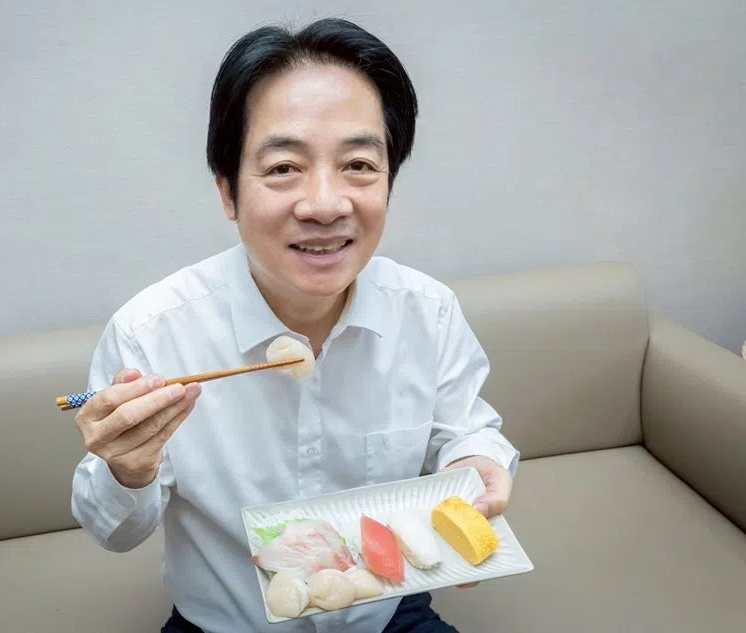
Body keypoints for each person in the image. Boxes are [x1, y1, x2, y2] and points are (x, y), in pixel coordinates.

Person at [70, 17, 519, 633]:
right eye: (284, 167)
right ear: (228, 192)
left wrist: (477, 463)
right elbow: (113, 532)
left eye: (359, 164)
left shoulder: (428, 311)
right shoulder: (153, 334)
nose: (326, 205)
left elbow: (466, 432)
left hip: (386, 611)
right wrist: (128, 468)